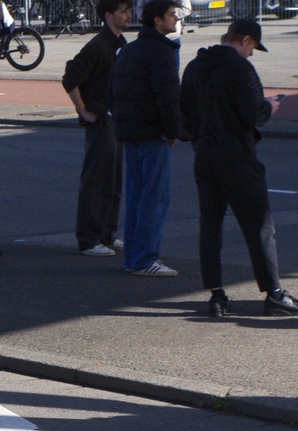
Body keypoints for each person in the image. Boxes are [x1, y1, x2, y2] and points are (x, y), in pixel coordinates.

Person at [181, 19, 297, 318]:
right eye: (253, 47)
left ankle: (216, 294)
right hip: (237, 156)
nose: (252, 53)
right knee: (260, 225)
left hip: (204, 155)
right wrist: (269, 106)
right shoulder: (241, 69)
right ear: (245, 40)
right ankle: (273, 293)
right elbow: (252, 115)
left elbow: (185, 114)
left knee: (210, 227)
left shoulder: (195, 67)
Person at [110, 0, 180, 277]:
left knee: (137, 197)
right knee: (154, 198)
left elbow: (113, 90)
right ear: (157, 20)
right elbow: (168, 97)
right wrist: (173, 130)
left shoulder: (129, 49)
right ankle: (145, 259)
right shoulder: (162, 51)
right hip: (152, 132)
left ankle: (134, 258)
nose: (176, 19)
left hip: (130, 131)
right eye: (171, 15)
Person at [62, 0, 129, 257]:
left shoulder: (119, 44)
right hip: (102, 121)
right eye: (123, 11)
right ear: (109, 15)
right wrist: (84, 111)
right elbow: (71, 78)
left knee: (113, 181)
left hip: (115, 120)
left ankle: (107, 234)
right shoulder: (98, 45)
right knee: (97, 182)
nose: (128, 15)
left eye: (129, 10)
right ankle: (89, 239)